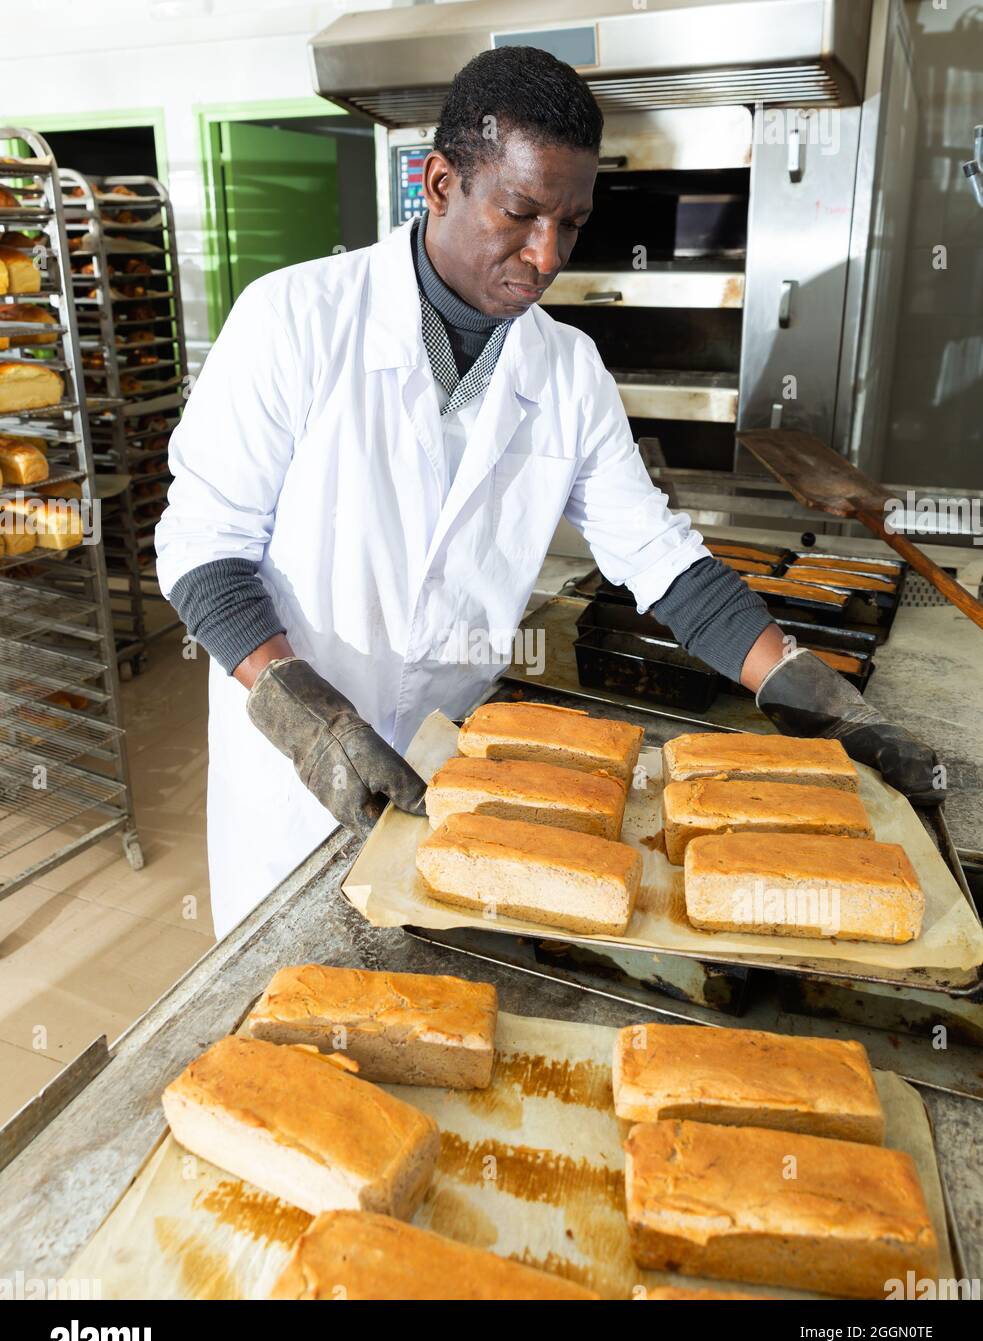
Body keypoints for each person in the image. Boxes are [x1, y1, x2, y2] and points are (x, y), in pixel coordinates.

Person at [155, 46, 939, 939]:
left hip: (457, 761)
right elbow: (200, 545)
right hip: (295, 753)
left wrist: (805, 685)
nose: (545, 256)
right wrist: (306, 713)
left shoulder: (565, 369)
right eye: (521, 212)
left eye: (570, 224)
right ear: (440, 182)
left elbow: (658, 556)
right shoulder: (292, 320)